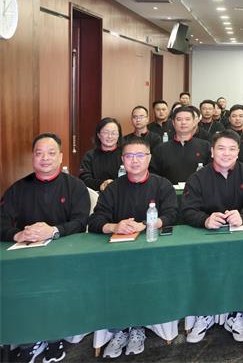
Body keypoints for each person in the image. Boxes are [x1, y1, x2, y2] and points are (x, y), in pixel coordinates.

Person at [1, 133, 91, 363]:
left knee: (55, 286)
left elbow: (82, 222)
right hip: (26, 256)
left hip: (64, 255)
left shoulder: (75, 187)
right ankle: (28, 340)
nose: (45, 158)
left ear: (60, 157)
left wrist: (54, 231)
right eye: (39, 153)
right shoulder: (18, 189)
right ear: (32, 157)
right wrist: (18, 234)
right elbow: (1, 222)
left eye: (51, 153)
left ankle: (54, 337)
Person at [88, 136, 178, 358]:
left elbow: (172, 215)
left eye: (140, 155)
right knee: (115, 277)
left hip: (154, 252)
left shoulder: (162, 185)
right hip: (118, 254)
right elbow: (96, 221)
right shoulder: (113, 188)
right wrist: (114, 226)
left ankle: (139, 327)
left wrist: (148, 225)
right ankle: (119, 329)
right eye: (129, 156)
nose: (135, 161)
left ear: (149, 158)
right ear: (122, 160)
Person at [181, 131, 243, 344]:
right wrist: (205, 220)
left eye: (232, 149)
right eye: (221, 148)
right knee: (204, 269)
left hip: (240, 238)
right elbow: (187, 210)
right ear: (212, 151)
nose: (227, 153)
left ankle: (237, 315)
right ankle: (205, 313)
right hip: (208, 238)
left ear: (238, 151)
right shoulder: (198, 178)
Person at [150, 107, 211, 184]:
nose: (183, 122)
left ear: (194, 122)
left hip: (198, 190)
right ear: (173, 123)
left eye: (187, 119)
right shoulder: (161, 149)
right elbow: (154, 175)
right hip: (168, 190)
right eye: (179, 119)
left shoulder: (205, 146)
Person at [79, 118, 124, 191]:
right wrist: (102, 184)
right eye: (106, 132)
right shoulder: (89, 156)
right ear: (98, 135)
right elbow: (84, 179)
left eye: (114, 133)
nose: (110, 136)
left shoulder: (126, 154)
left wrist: (113, 184)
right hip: (96, 194)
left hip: (122, 193)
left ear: (119, 135)